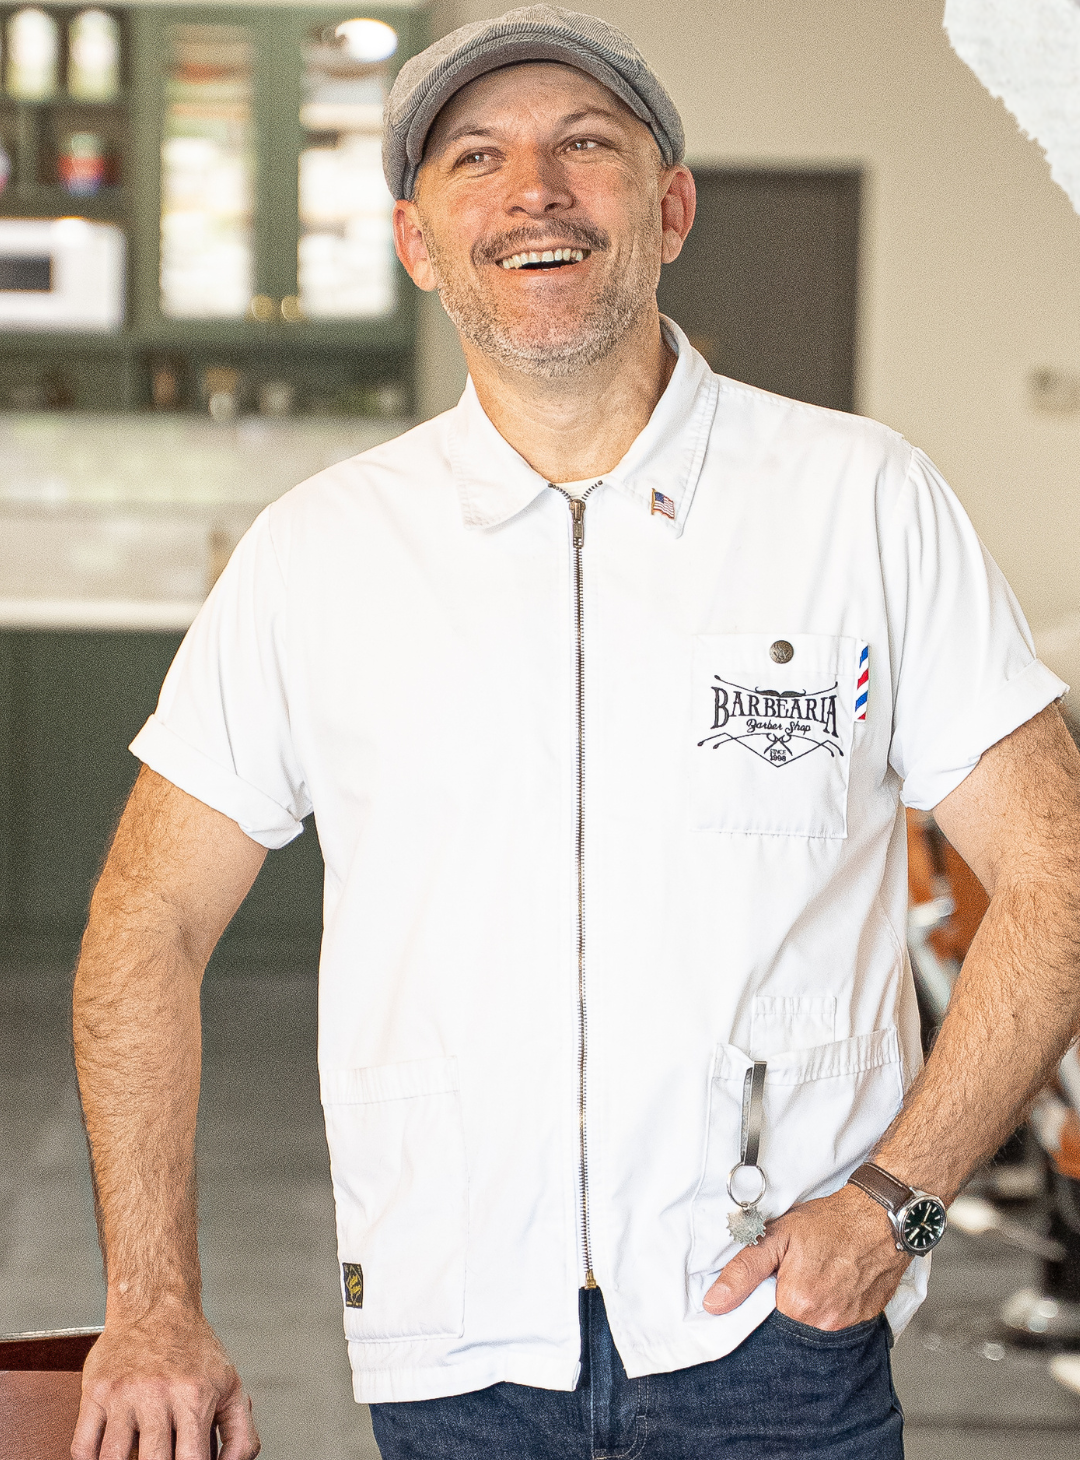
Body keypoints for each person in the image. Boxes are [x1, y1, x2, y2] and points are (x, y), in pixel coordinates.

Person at [71, 7, 1080, 1459]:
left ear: (669, 209)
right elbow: (147, 917)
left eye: (585, 147)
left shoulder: (861, 502)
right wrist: (151, 1302)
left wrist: (899, 1202)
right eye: (475, 159)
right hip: (450, 1333)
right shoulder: (322, 556)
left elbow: (1051, 872)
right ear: (419, 243)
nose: (533, 189)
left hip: (777, 1335)